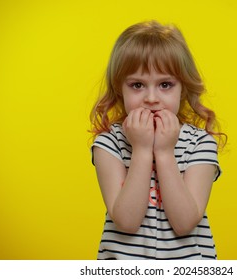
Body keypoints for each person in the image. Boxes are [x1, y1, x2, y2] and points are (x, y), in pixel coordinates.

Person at [89, 20, 226, 260]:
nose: (151, 98)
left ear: (182, 88)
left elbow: (185, 223)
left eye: (165, 84)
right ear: (120, 88)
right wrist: (142, 150)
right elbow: (126, 222)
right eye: (137, 85)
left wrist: (164, 152)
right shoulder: (109, 143)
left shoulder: (200, 143)